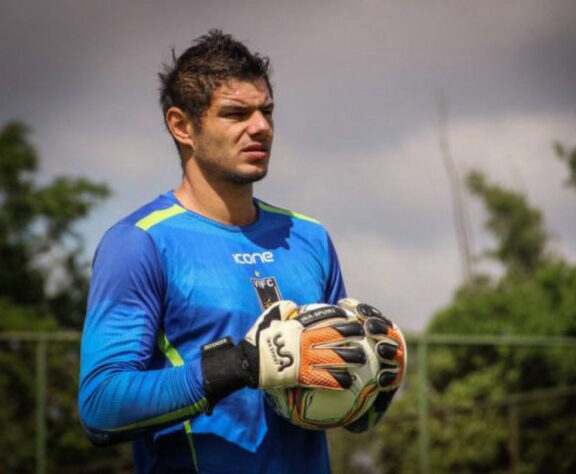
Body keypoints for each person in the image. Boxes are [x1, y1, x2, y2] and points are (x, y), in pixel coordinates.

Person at [78, 30, 405, 473]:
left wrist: (371, 385)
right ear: (182, 125)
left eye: (266, 111)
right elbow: (101, 405)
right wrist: (241, 365)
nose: (261, 127)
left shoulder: (310, 237)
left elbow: (341, 412)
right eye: (236, 113)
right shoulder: (138, 242)